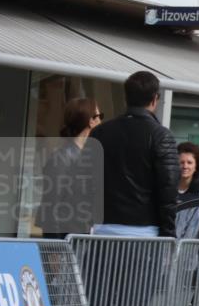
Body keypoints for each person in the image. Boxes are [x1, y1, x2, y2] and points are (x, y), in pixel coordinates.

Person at [88, 71, 179, 237]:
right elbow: (168, 188)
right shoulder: (161, 136)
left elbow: (85, 181)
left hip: (102, 227)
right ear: (155, 99)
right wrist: (169, 233)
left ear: (126, 98)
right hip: (144, 231)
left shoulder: (99, 133)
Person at [38, 98, 102, 238]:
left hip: (82, 238)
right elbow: (51, 206)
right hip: (64, 241)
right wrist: (54, 250)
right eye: (99, 116)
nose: (101, 122)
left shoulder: (87, 156)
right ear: (90, 121)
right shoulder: (61, 158)